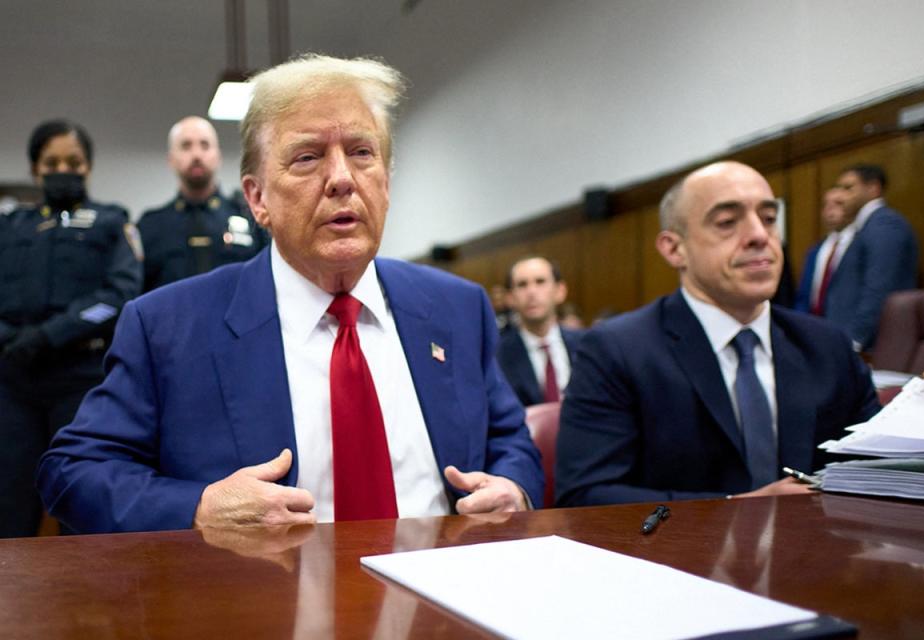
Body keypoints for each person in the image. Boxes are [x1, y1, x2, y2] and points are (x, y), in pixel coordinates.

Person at [37, 54, 542, 534]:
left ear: (386, 184)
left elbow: (508, 438)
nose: (342, 179)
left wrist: (514, 488)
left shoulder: (457, 308)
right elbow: (72, 471)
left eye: (362, 153)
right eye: (307, 157)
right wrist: (196, 507)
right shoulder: (167, 325)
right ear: (257, 198)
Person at [555, 161, 880, 506]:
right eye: (727, 223)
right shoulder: (617, 350)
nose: (760, 236)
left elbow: (881, 467)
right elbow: (584, 496)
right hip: (678, 555)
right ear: (674, 248)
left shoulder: (826, 344)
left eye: (769, 219)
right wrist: (738, 507)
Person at [0, 119, 142, 538]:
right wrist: (11, 339)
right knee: (10, 499)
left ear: (88, 168)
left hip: (80, 380)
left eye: (74, 162)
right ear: (34, 170)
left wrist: (51, 334)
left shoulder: (111, 222)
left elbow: (118, 294)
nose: (63, 169)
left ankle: (84, 603)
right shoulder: (9, 227)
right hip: (13, 380)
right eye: (52, 161)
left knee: (80, 496)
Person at [137, 116, 268, 292]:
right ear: (171, 159)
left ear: (218, 156)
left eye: (205, 145)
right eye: (186, 146)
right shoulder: (150, 226)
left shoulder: (251, 217)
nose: (197, 155)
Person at [806, 165, 918, 351]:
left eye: (848, 188)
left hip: (873, 345)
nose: (841, 195)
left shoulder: (884, 224)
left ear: (873, 188)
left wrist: (855, 340)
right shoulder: (864, 228)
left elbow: (878, 288)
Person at [496, 256, 583, 406]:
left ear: (560, 291)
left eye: (540, 282)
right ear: (510, 298)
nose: (532, 292)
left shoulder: (586, 345)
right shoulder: (496, 356)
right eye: (522, 285)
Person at [794, 187, 846, 313]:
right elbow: (804, 295)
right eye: (825, 205)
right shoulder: (815, 251)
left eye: (838, 204)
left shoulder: (857, 247)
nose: (830, 209)